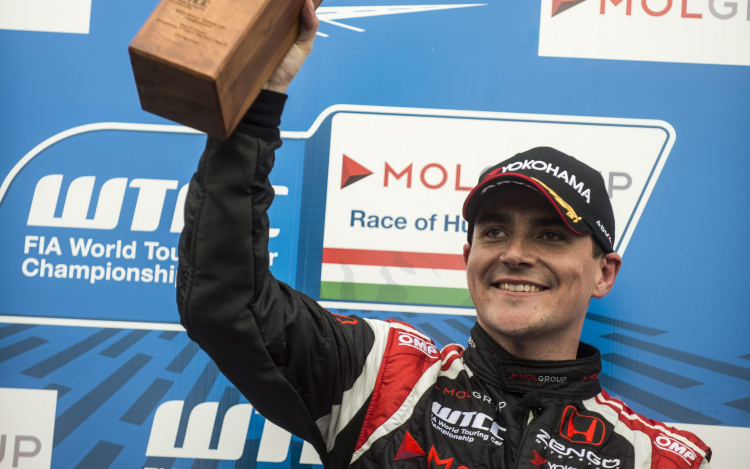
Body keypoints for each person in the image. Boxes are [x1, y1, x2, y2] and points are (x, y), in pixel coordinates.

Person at [176, 1, 711, 467]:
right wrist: (256, 104)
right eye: (495, 231)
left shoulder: (656, 457)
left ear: (604, 273)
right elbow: (226, 301)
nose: (515, 254)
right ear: (468, 255)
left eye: (551, 236)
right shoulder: (383, 376)